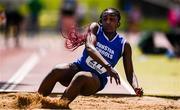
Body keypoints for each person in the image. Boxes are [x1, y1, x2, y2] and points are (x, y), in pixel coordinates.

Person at [38, 8, 143, 109]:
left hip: (95, 80)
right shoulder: (95, 29)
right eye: (105, 18)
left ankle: (60, 105)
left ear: (118, 23)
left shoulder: (124, 44)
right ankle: (36, 100)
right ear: (101, 21)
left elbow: (130, 72)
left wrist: (136, 87)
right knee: (57, 70)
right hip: (78, 68)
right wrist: (108, 67)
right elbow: (89, 47)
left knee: (81, 76)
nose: (108, 21)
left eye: (112, 19)